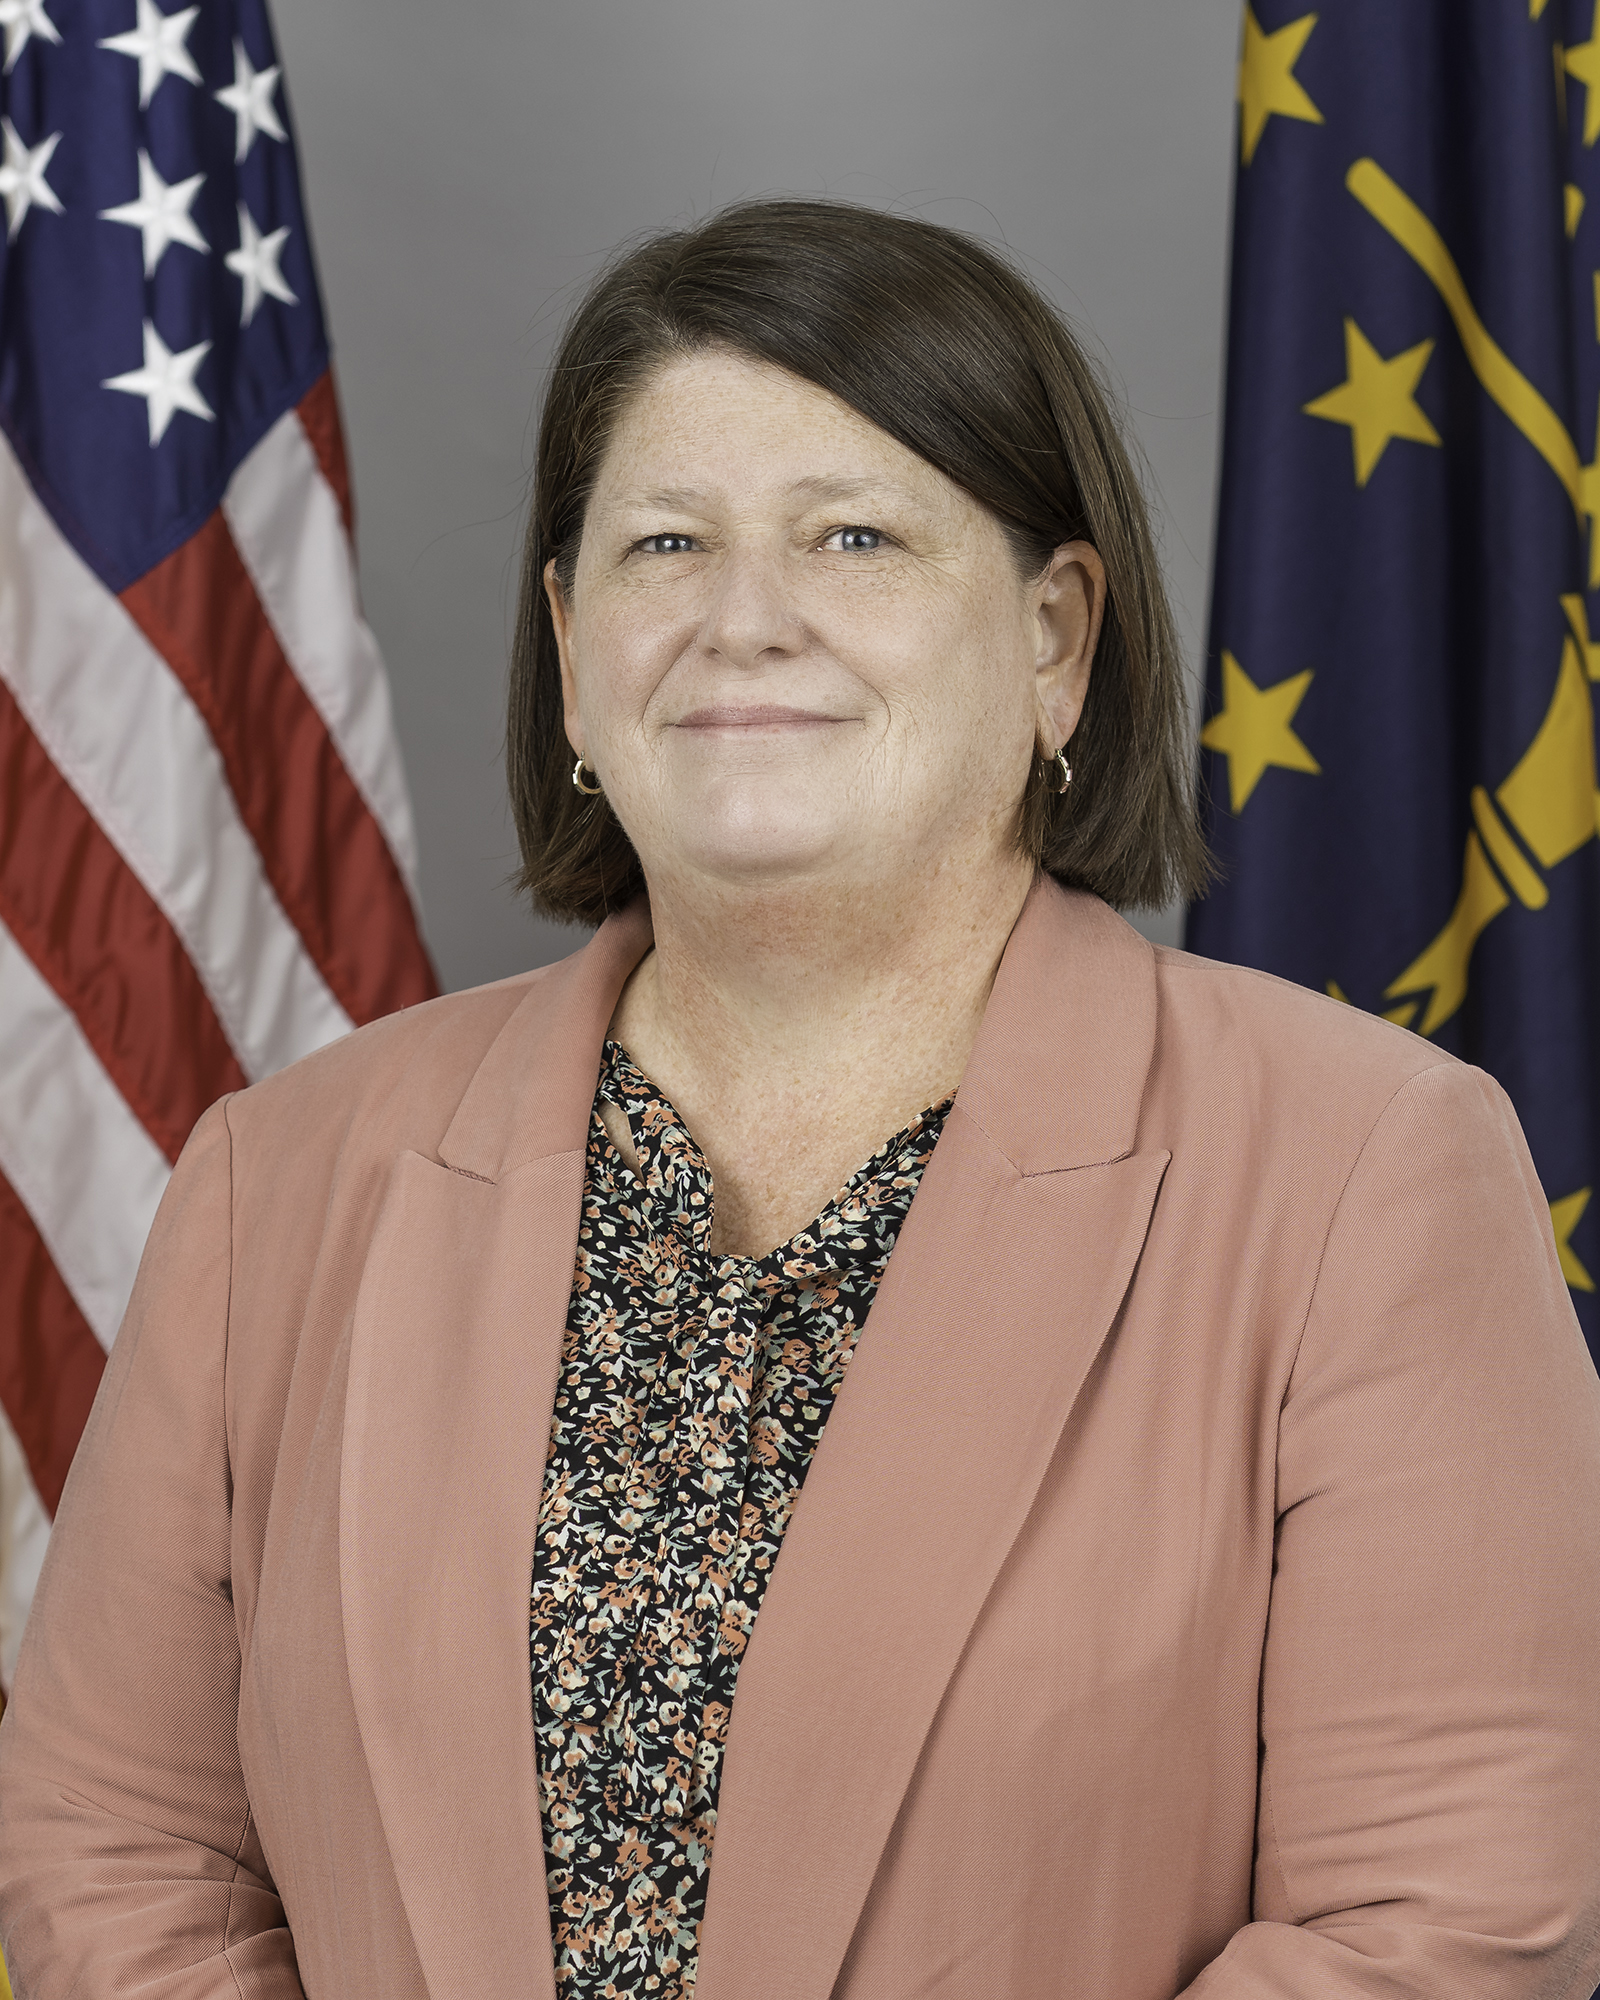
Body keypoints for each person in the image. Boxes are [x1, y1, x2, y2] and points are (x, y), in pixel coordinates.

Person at [1, 198, 1598, 2000]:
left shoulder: (1367, 1173)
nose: (744, 621)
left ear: (1056, 638)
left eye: (855, 536)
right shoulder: (277, 1182)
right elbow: (115, 1854)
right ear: (572, 651)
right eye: (665, 544)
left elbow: (1440, 1927)